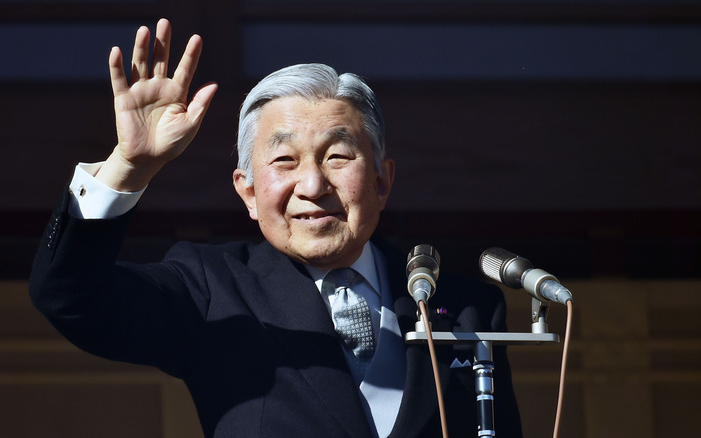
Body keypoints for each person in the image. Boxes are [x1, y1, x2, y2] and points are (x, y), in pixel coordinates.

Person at [29, 19, 523, 438]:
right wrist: (128, 166)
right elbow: (70, 296)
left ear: (382, 180)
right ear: (247, 191)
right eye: (284, 160)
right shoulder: (209, 289)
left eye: (337, 156)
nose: (312, 183)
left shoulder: (464, 306)